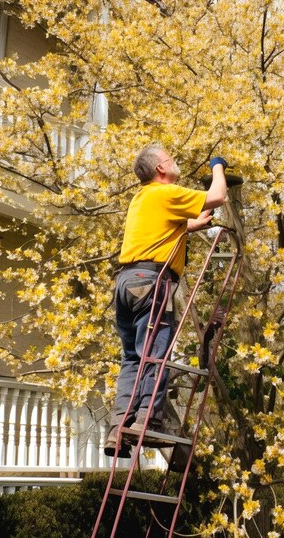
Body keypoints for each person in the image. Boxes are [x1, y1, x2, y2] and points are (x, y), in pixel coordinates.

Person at [104, 144, 228, 457]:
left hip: (126, 282)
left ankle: (119, 425)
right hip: (152, 282)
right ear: (161, 168)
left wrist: (191, 226)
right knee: (155, 353)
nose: (176, 165)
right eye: (171, 160)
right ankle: (148, 421)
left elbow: (162, 228)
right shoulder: (167, 192)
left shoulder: (142, 199)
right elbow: (217, 197)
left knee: (133, 357)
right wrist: (218, 167)